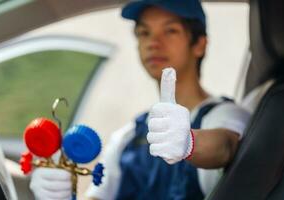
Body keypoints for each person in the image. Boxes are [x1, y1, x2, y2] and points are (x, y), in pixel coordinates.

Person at [29, 0, 251, 200]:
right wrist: (63, 196)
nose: (153, 43)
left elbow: (225, 146)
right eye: (144, 33)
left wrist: (188, 142)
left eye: (170, 31)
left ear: (199, 44)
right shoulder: (127, 136)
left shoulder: (224, 114)